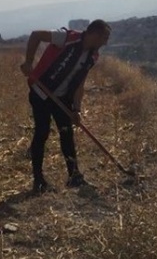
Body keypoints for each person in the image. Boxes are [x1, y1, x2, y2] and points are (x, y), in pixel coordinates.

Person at [20, 19, 111, 193]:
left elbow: (79, 85)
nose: (105, 43)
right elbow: (36, 35)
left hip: (62, 99)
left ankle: (74, 176)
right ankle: (38, 180)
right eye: (104, 38)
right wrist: (29, 61)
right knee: (42, 132)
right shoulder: (67, 37)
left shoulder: (92, 57)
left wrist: (76, 109)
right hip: (41, 91)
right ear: (94, 34)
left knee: (67, 134)